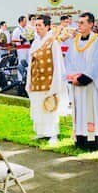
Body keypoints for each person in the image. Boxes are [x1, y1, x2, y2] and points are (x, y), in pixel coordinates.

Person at [65, 12, 98, 150]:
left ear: (91, 24)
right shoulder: (74, 42)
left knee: (93, 112)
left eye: (83, 23)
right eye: (78, 23)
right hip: (77, 84)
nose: (79, 25)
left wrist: (84, 78)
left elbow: (97, 64)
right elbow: (69, 61)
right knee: (80, 113)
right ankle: (80, 139)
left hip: (92, 85)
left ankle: (94, 141)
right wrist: (72, 77)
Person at [25, 15, 68, 144]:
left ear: (47, 26)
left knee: (50, 107)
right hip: (37, 79)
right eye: (36, 25)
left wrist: (56, 83)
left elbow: (57, 63)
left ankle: (53, 133)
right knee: (37, 106)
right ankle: (41, 132)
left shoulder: (53, 42)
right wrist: (29, 80)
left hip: (49, 79)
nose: (37, 28)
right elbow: (30, 63)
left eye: (40, 25)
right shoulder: (35, 42)